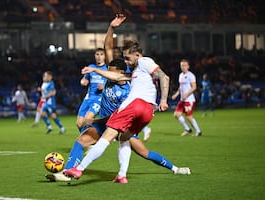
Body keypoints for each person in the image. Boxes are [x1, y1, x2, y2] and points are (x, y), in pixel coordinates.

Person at [64, 14, 191, 181]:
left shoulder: (129, 81)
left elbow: (128, 107)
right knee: (81, 141)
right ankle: (67, 171)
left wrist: (99, 121)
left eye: (111, 71)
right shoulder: (115, 74)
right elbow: (107, 47)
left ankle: (175, 168)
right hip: (110, 123)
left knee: (144, 152)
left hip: (121, 123)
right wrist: (112, 27)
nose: (108, 74)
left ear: (121, 72)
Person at [76, 48, 108, 133]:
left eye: (101, 54)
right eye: (97, 54)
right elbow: (85, 79)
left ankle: (98, 134)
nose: (99, 57)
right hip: (88, 97)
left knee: (88, 119)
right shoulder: (91, 67)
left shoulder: (107, 68)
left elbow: (113, 83)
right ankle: (88, 141)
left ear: (105, 56)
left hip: (99, 98)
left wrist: (104, 87)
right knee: (79, 124)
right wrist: (83, 81)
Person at [172, 59, 202, 136]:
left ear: (188, 66)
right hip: (182, 99)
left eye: (185, 65)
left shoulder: (191, 75)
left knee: (188, 117)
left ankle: (198, 131)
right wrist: (176, 94)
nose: (183, 67)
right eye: (182, 65)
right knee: (176, 114)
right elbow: (180, 87)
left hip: (189, 100)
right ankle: (187, 129)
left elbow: (194, 87)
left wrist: (187, 94)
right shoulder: (181, 75)